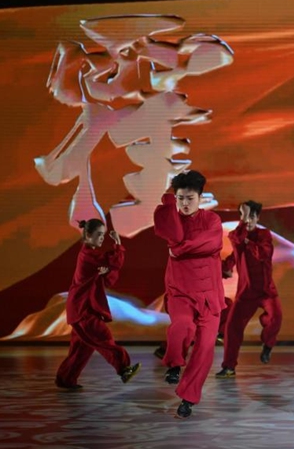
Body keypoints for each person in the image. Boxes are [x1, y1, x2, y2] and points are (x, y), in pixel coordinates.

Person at [154, 170, 225, 419]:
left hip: (210, 295)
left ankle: (188, 398)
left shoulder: (212, 220)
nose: (185, 203)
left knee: (205, 349)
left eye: (190, 198)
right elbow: (163, 222)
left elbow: (213, 243)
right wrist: (168, 200)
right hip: (181, 291)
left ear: (200, 197)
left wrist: (181, 248)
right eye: (181, 198)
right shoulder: (172, 220)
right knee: (182, 326)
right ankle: (174, 363)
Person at [55, 219, 140, 389]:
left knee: (81, 350)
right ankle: (124, 369)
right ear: (88, 235)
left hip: (82, 309)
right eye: (99, 235)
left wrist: (106, 269)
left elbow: (108, 277)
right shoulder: (88, 257)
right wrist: (117, 243)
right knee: (103, 338)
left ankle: (65, 379)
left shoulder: (92, 258)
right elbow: (114, 261)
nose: (102, 238)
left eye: (103, 235)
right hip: (82, 310)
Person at [216, 200, 282, 378]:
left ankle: (267, 345)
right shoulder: (237, 235)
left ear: (258, 217)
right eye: (245, 216)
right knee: (232, 328)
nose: (249, 220)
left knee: (275, 318)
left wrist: (247, 241)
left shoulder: (264, 234)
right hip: (246, 293)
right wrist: (226, 267)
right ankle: (229, 366)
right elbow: (235, 249)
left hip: (267, 290)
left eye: (252, 216)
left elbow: (263, 253)